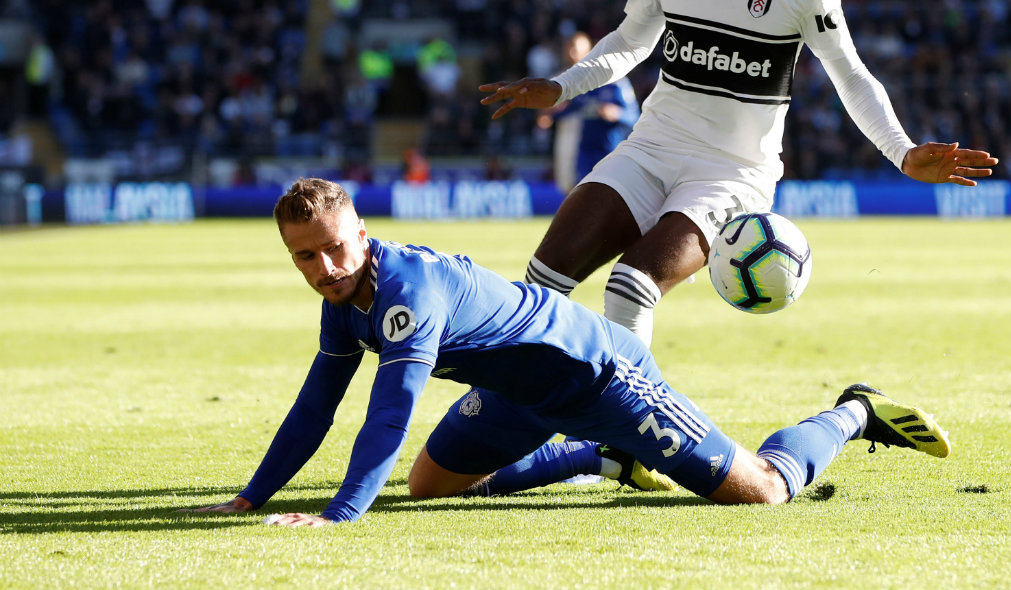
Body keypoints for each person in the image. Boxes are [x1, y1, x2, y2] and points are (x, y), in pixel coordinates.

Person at [479, 0, 998, 346]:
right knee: (543, 280)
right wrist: (561, 87)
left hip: (732, 173)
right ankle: (512, 418)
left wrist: (902, 152)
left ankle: (621, 427)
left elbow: (852, 75)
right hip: (649, 150)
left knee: (630, 287)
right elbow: (631, 42)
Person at [182, 178, 950, 526]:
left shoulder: (405, 289)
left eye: (335, 250)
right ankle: (595, 459)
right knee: (428, 489)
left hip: (603, 377)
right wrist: (252, 497)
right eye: (306, 259)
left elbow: (390, 413)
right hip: (523, 394)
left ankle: (852, 412)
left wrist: (340, 514)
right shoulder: (343, 301)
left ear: (360, 232)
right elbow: (316, 405)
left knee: (762, 492)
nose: (326, 269)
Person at [539, 31, 641, 195]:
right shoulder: (583, 84)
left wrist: (617, 114)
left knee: (607, 197)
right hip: (584, 152)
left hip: (609, 151)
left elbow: (635, 117)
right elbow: (573, 109)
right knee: (580, 196)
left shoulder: (618, 84)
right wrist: (550, 116)